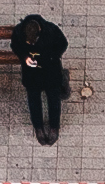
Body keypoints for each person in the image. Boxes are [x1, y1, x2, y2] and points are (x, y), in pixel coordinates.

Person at [11, 12, 70, 146]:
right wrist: (25, 57)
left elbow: (63, 44)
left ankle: (54, 126)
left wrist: (50, 57)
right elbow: (15, 46)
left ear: (39, 32)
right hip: (31, 73)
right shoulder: (19, 31)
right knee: (33, 99)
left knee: (54, 99)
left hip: (51, 70)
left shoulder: (51, 30)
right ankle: (38, 126)